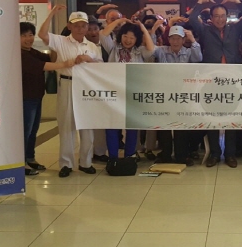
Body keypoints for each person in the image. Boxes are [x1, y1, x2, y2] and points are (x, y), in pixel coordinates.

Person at [38, 6, 103, 178]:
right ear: (69, 26)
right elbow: (42, 34)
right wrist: (51, 13)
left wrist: (89, 59)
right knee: (66, 125)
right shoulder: (60, 41)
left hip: (87, 87)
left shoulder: (92, 46)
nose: (80, 29)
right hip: (67, 84)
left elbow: (102, 67)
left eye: (83, 25)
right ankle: (66, 163)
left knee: (87, 125)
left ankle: (86, 162)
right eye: (76, 25)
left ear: (87, 27)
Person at [189, 0, 242, 168]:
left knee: (231, 115)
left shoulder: (235, 28)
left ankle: (230, 154)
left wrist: (237, 2)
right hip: (211, 79)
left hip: (232, 78)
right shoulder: (205, 30)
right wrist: (199, 3)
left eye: (222, 16)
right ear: (211, 17)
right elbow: (192, 19)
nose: (220, 19)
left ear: (227, 16)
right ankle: (215, 153)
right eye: (216, 16)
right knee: (212, 116)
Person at [20, 22, 76, 176]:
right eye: (24, 35)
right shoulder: (20, 54)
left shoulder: (31, 51)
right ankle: (21, 164)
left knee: (33, 130)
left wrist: (57, 44)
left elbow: (51, 58)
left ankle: (30, 158)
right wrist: (65, 64)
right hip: (25, 98)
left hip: (36, 96)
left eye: (31, 35)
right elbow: (45, 66)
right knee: (25, 131)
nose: (29, 39)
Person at [100, 17, 155, 163]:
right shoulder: (113, 48)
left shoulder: (139, 51)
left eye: (132, 37)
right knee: (111, 125)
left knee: (132, 126)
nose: (128, 40)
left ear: (136, 39)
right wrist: (119, 21)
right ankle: (113, 157)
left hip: (132, 93)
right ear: (121, 36)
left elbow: (151, 49)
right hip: (114, 92)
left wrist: (142, 28)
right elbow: (103, 35)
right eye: (125, 36)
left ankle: (130, 155)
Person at [154, 25, 203, 165]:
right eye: (173, 38)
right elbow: (149, 50)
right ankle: (165, 154)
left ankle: (181, 155)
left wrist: (192, 39)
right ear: (168, 39)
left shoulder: (188, 52)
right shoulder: (161, 51)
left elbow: (199, 58)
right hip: (164, 93)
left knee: (181, 126)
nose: (175, 41)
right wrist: (153, 30)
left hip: (182, 94)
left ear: (183, 40)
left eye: (178, 38)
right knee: (164, 125)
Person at [84, 16, 110, 163]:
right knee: (87, 123)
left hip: (104, 88)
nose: (93, 32)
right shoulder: (81, 46)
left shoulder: (107, 47)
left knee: (102, 121)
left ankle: (100, 152)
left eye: (95, 29)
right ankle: (87, 153)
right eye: (89, 29)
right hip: (85, 88)